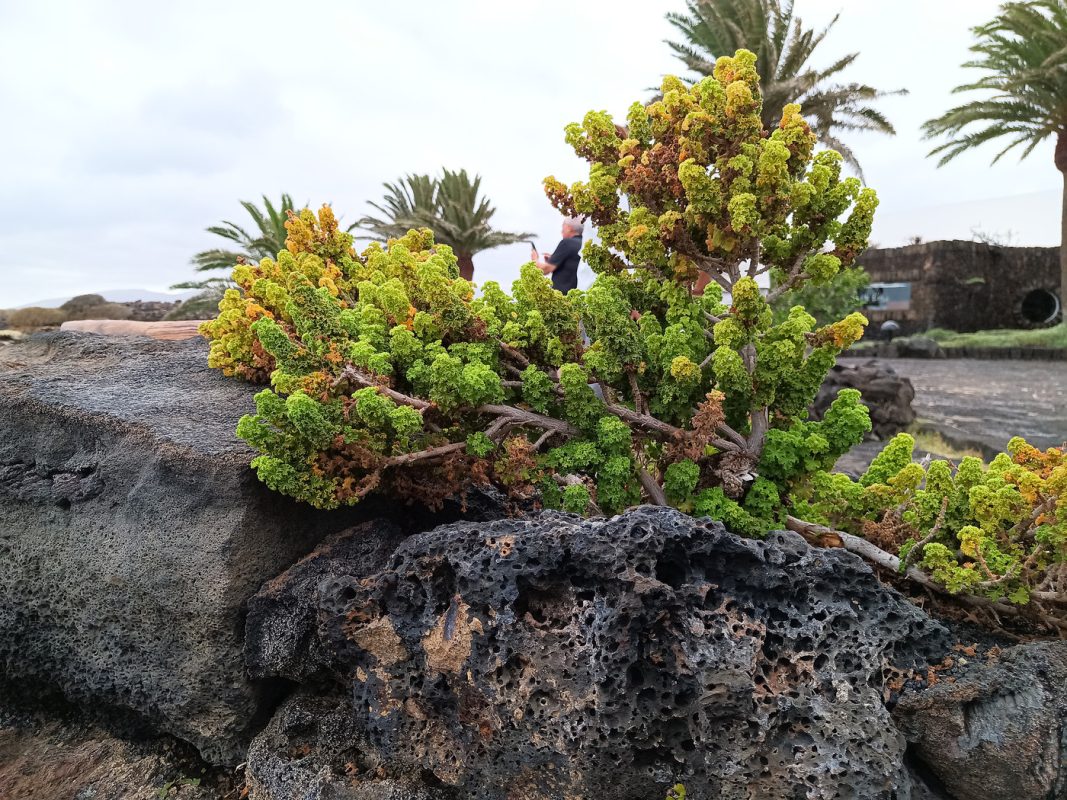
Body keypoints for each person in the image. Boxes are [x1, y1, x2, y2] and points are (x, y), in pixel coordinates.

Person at [532, 218, 583, 293]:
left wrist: (535, 259)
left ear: (569, 228)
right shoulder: (583, 244)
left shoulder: (566, 243)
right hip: (577, 293)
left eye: (563, 227)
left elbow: (545, 269)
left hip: (562, 296)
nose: (561, 231)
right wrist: (553, 260)